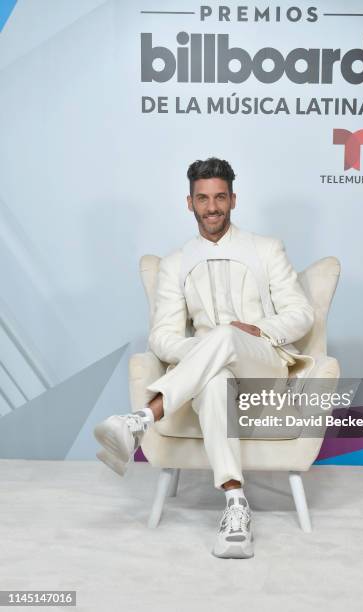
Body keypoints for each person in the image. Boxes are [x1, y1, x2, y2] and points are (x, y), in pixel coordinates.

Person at [94, 157, 316, 559]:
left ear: (233, 199)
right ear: (189, 202)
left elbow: (301, 314)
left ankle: (142, 418)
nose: (211, 207)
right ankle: (235, 505)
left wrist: (258, 330)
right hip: (208, 372)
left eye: (219, 197)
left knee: (227, 334)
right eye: (202, 199)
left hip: (262, 362)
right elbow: (162, 336)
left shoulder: (266, 249)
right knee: (214, 380)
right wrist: (203, 350)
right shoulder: (175, 263)